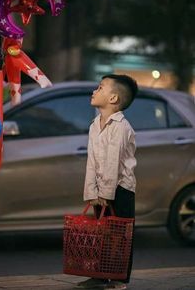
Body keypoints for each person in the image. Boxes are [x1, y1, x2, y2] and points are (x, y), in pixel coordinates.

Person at [76, 74, 138, 290]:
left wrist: (106, 193)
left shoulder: (121, 127)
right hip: (102, 190)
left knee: (120, 234)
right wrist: (91, 192)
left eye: (100, 87)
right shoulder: (95, 124)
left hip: (120, 189)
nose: (95, 91)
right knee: (101, 233)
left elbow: (113, 162)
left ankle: (120, 279)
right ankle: (100, 275)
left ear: (113, 98)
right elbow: (91, 161)